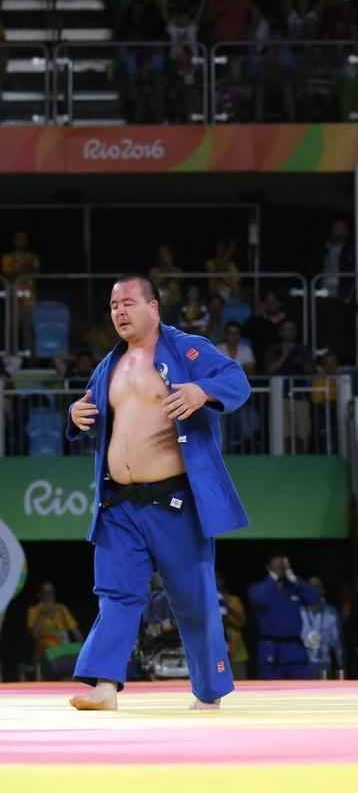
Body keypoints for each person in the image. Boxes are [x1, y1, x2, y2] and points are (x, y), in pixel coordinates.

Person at [64, 276, 252, 710]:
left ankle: (209, 692)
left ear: (153, 307)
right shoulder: (108, 366)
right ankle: (105, 687)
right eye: (113, 306)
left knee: (193, 599)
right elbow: (86, 414)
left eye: (128, 303)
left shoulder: (187, 350)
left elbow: (236, 380)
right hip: (119, 505)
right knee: (116, 593)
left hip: (174, 504)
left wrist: (202, 390)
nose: (119, 312)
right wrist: (74, 416)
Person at [248, 554, 320, 680]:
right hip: (271, 650)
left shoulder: (294, 588)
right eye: (277, 565)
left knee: (302, 691)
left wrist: (293, 578)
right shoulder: (258, 589)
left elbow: (313, 597)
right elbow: (258, 599)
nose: (281, 568)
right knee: (270, 693)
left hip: (294, 650)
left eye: (283, 565)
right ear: (268, 567)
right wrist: (273, 577)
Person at [26, 582, 83, 679]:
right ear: (39, 595)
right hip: (46, 648)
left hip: (64, 646)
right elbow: (34, 634)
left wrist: (84, 645)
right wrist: (43, 614)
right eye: (46, 593)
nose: (49, 596)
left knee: (80, 650)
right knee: (51, 648)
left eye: (51, 592)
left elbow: (74, 630)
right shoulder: (33, 610)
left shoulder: (61, 608)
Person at [301, 577, 345, 680]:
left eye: (316, 587)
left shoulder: (331, 613)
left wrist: (341, 665)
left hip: (324, 664)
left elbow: (337, 643)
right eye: (310, 587)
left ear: (323, 590)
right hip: (303, 664)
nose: (313, 589)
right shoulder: (299, 611)